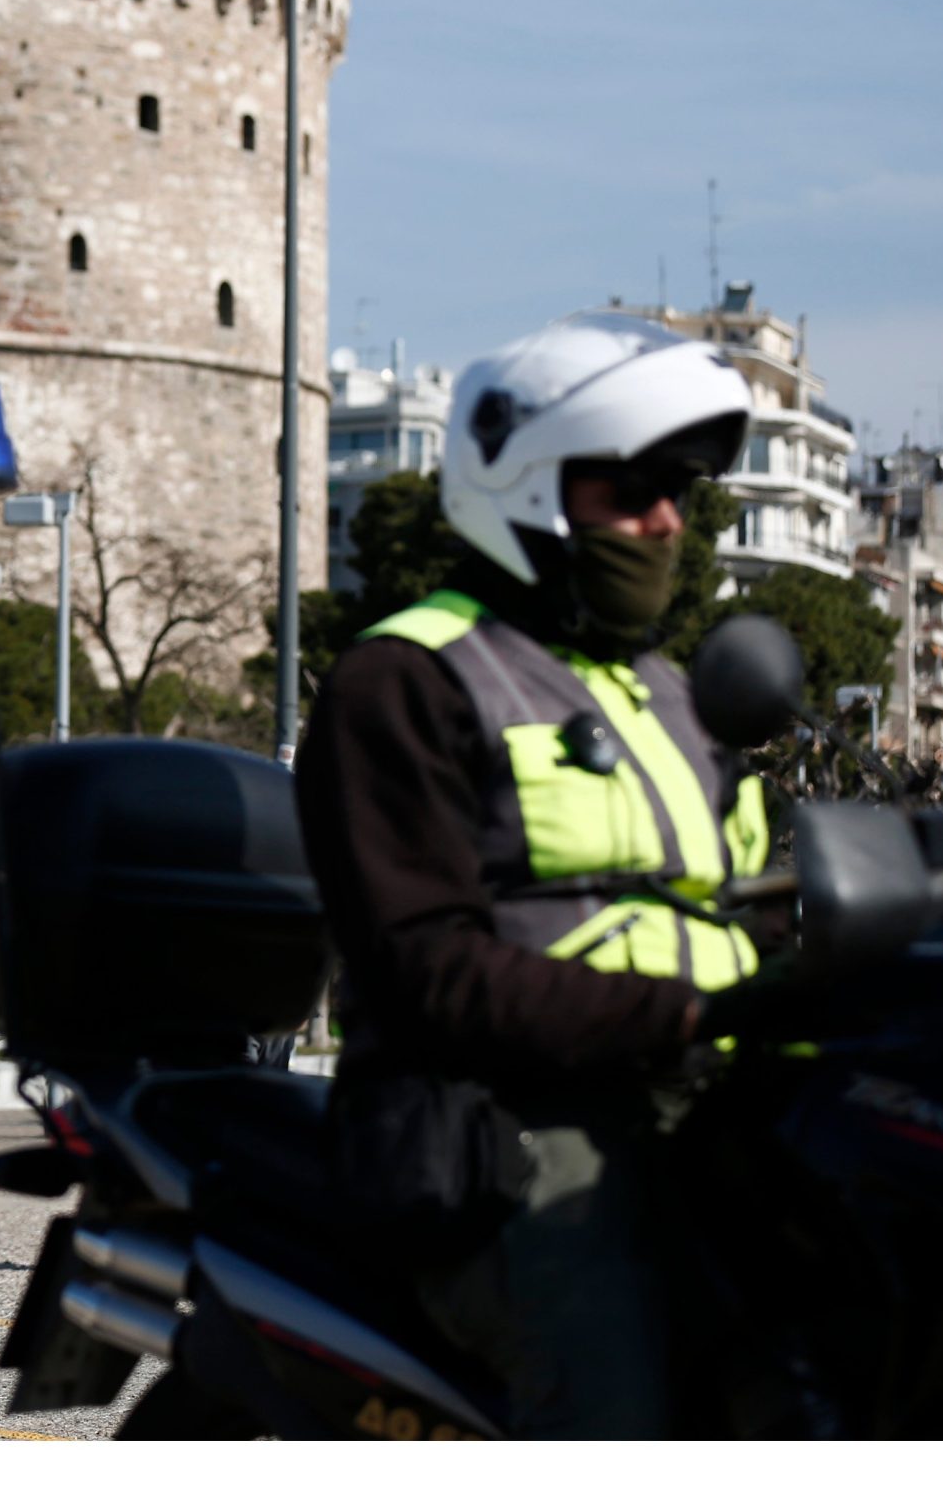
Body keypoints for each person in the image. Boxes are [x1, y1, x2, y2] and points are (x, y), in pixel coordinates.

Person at [295, 312, 775, 1439]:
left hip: (694, 1099)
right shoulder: (406, 678)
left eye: (679, 491)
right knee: (623, 1366)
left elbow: (750, 903)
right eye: (632, 489)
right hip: (494, 1129)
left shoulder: (670, 693)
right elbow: (425, 966)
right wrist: (681, 1013)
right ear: (526, 488)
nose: (666, 520)